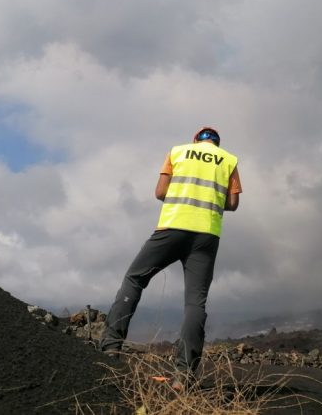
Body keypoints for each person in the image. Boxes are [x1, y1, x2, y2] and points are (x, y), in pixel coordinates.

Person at [100, 126, 241, 383]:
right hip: (206, 236)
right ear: (216, 145)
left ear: (195, 140)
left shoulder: (177, 152)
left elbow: (160, 192)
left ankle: (111, 348)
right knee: (195, 303)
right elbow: (232, 204)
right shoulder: (228, 160)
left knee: (135, 279)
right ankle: (183, 375)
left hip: (172, 227)